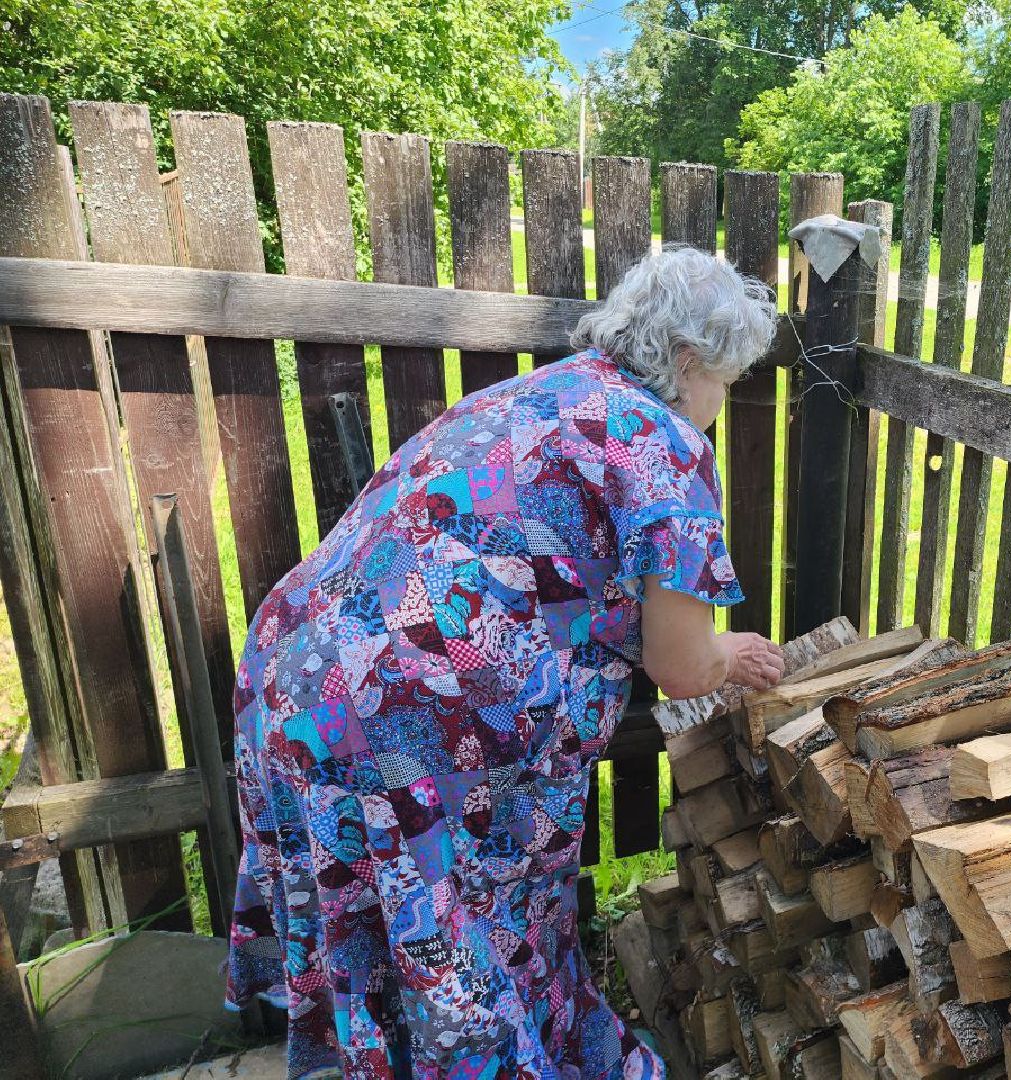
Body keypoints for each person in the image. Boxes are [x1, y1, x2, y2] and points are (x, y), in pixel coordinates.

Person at [225, 247, 787, 1079]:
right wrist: (728, 652)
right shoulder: (661, 442)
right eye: (728, 380)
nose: (721, 402)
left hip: (295, 679)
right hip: (406, 718)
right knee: (465, 938)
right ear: (686, 360)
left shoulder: (547, 391)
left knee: (405, 931)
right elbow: (678, 663)